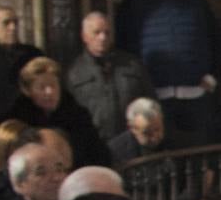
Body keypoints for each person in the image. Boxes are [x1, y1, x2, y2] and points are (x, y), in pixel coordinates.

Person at [113, 0, 221, 145]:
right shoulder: (134, 2)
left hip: (195, 94)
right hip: (155, 96)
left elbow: (218, 41)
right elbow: (125, 47)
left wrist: (211, 77)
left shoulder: (195, 2)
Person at [63, 11, 153, 141]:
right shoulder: (73, 73)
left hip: (131, 141)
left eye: (107, 32)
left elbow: (149, 101)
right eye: (97, 32)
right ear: (84, 36)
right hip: (94, 143)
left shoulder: (132, 65)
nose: (103, 37)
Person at [9, 57, 108, 169]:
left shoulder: (78, 116)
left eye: (53, 85)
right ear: (28, 91)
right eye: (42, 87)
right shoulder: (19, 122)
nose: (49, 92)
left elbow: (98, 154)